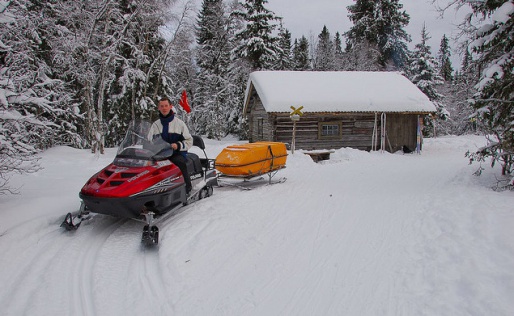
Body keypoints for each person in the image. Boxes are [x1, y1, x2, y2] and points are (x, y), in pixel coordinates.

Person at [149, 97, 193, 194]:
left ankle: (187, 188)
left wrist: (178, 145)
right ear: (158, 108)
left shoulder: (179, 124)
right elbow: (149, 141)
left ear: (170, 107)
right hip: (159, 154)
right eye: (162, 106)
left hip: (176, 153)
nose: (164, 108)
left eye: (166, 106)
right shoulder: (155, 125)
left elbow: (189, 141)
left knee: (180, 163)